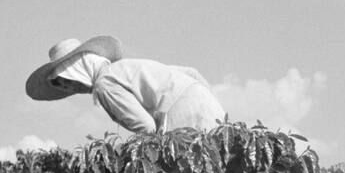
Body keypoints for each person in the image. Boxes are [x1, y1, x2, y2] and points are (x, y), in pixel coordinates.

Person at [26, 36, 226, 133]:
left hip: (183, 117)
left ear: (78, 69)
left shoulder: (105, 85)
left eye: (66, 80)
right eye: (62, 86)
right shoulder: (126, 68)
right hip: (210, 107)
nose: (69, 88)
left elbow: (146, 128)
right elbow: (192, 73)